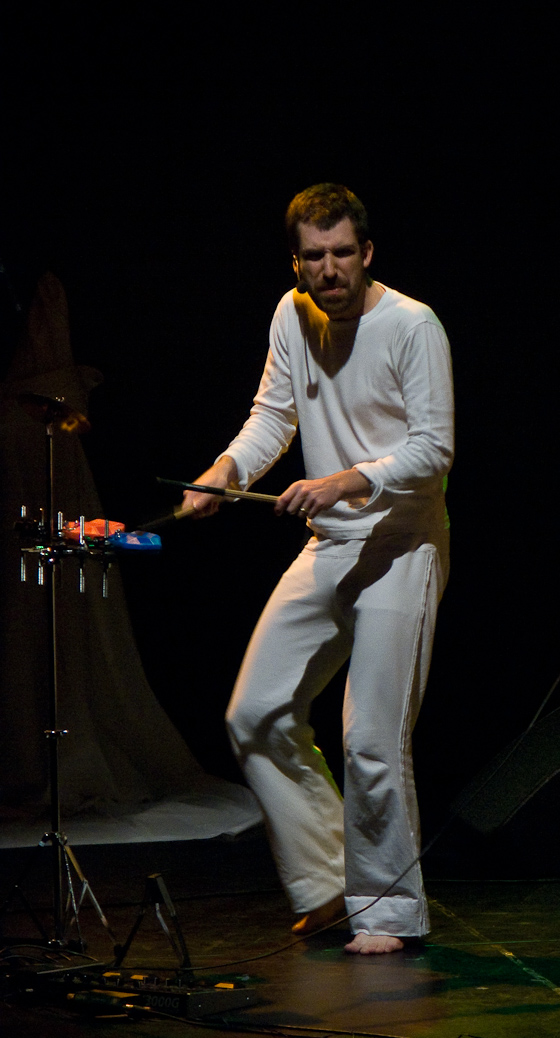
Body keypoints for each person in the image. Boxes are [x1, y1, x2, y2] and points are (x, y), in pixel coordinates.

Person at [183, 183, 453, 955]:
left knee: (370, 737)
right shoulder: (291, 314)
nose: (328, 270)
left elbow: (434, 449)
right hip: (331, 544)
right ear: (296, 262)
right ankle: (332, 880)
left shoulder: (412, 324)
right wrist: (226, 471)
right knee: (255, 714)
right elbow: (273, 414)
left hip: (401, 545)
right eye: (313, 257)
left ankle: (388, 912)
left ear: (366, 253)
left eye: (341, 254)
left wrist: (346, 480)